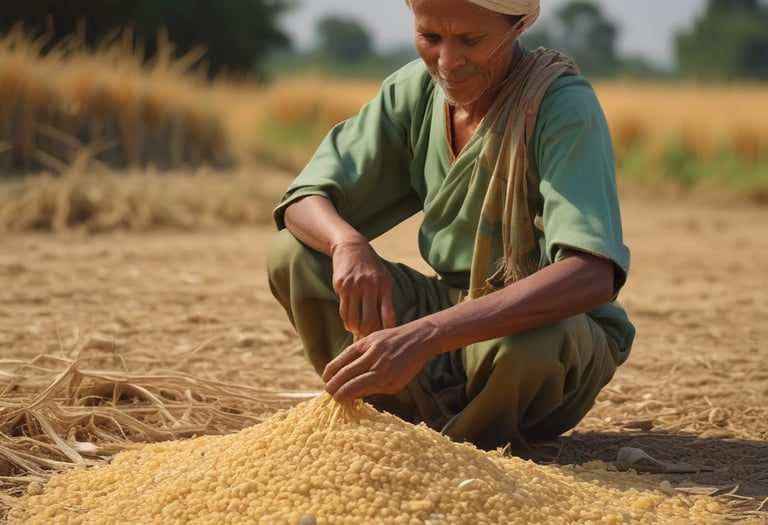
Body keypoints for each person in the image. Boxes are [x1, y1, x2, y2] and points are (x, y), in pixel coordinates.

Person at [267, 0, 635, 451]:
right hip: (445, 312)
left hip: (540, 334)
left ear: (518, 23)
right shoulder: (414, 92)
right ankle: (400, 417)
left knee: (531, 341)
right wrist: (347, 243)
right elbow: (302, 200)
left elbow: (591, 273)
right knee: (296, 255)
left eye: (471, 40)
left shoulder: (561, 106)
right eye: (430, 38)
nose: (447, 62)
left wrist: (425, 336)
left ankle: (468, 448)